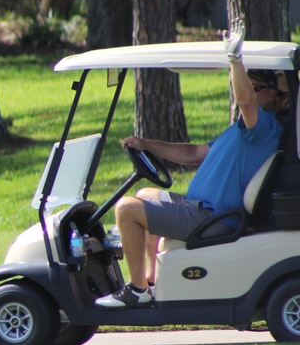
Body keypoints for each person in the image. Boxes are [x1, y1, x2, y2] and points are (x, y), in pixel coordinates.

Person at [96, 19, 289, 308]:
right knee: (145, 195)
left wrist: (236, 61)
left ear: (275, 97)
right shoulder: (241, 131)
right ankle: (148, 281)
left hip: (211, 217)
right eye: (251, 85)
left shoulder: (264, 128)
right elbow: (195, 153)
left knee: (126, 209)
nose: (249, 91)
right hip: (200, 208)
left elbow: (246, 102)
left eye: (257, 87)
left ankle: (135, 290)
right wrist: (148, 145)